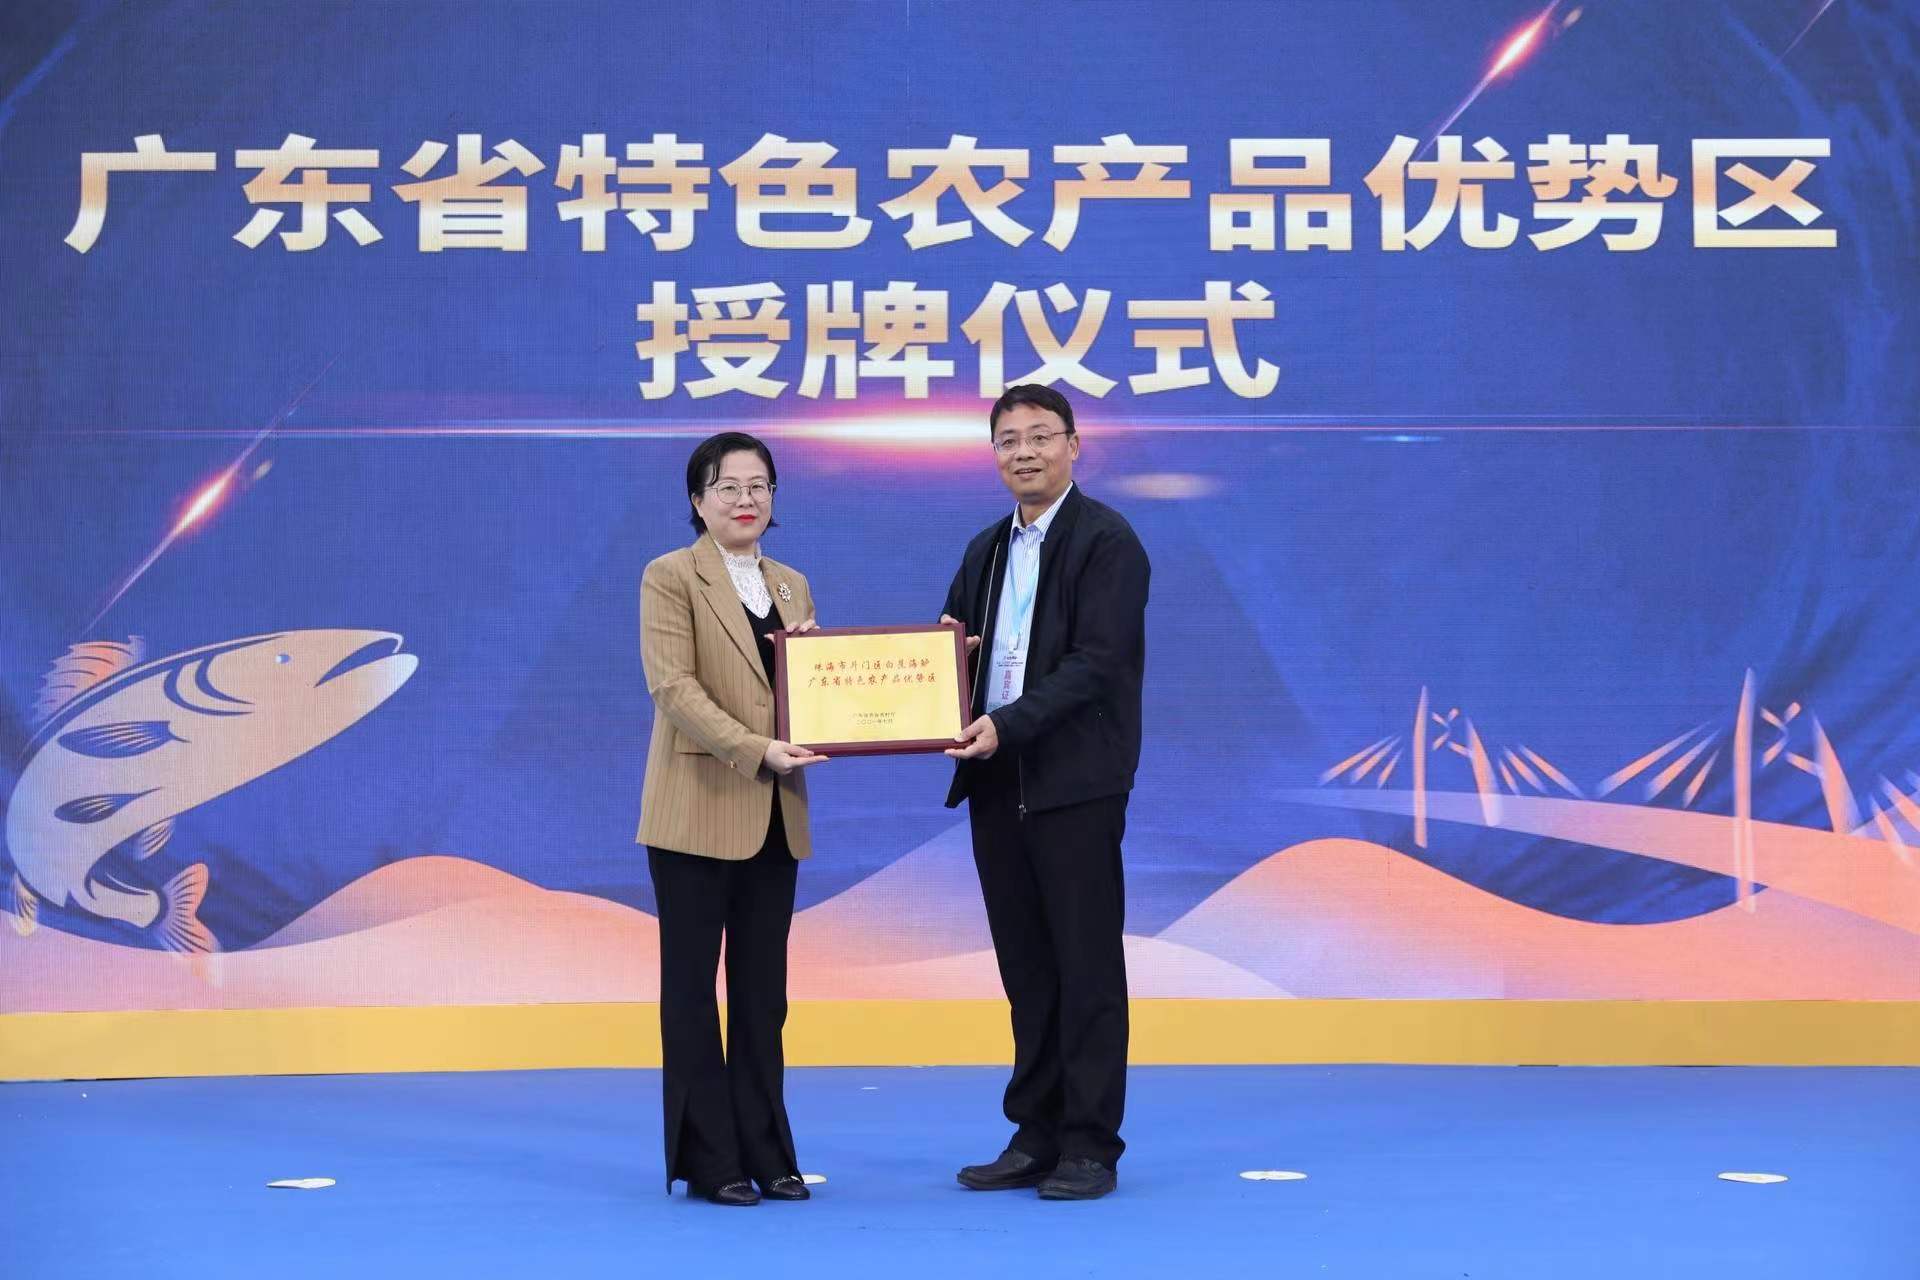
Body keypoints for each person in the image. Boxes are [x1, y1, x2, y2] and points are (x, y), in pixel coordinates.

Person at [938, 383, 1150, 1201]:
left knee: (1086, 968)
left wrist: (1008, 723)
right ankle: (1035, 1133)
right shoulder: (985, 548)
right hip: (997, 783)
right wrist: (936, 670)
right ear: (993, 454)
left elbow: (1097, 664)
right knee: (1027, 969)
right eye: (1007, 440)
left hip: (1075, 786)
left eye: (1039, 436)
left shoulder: (1108, 542)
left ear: (1073, 445)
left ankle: (1090, 1144)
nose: (1023, 452)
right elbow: (949, 644)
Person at [637, 431, 828, 1206]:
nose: (746, 500)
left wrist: (827, 693)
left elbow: (811, 694)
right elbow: (673, 688)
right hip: (695, 808)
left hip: (775, 814)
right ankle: (711, 1159)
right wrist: (757, 749)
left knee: (763, 996)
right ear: (698, 499)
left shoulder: (792, 584)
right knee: (691, 992)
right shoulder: (669, 576)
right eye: (728, 487)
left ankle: (769, 1151)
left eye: (759, 486)